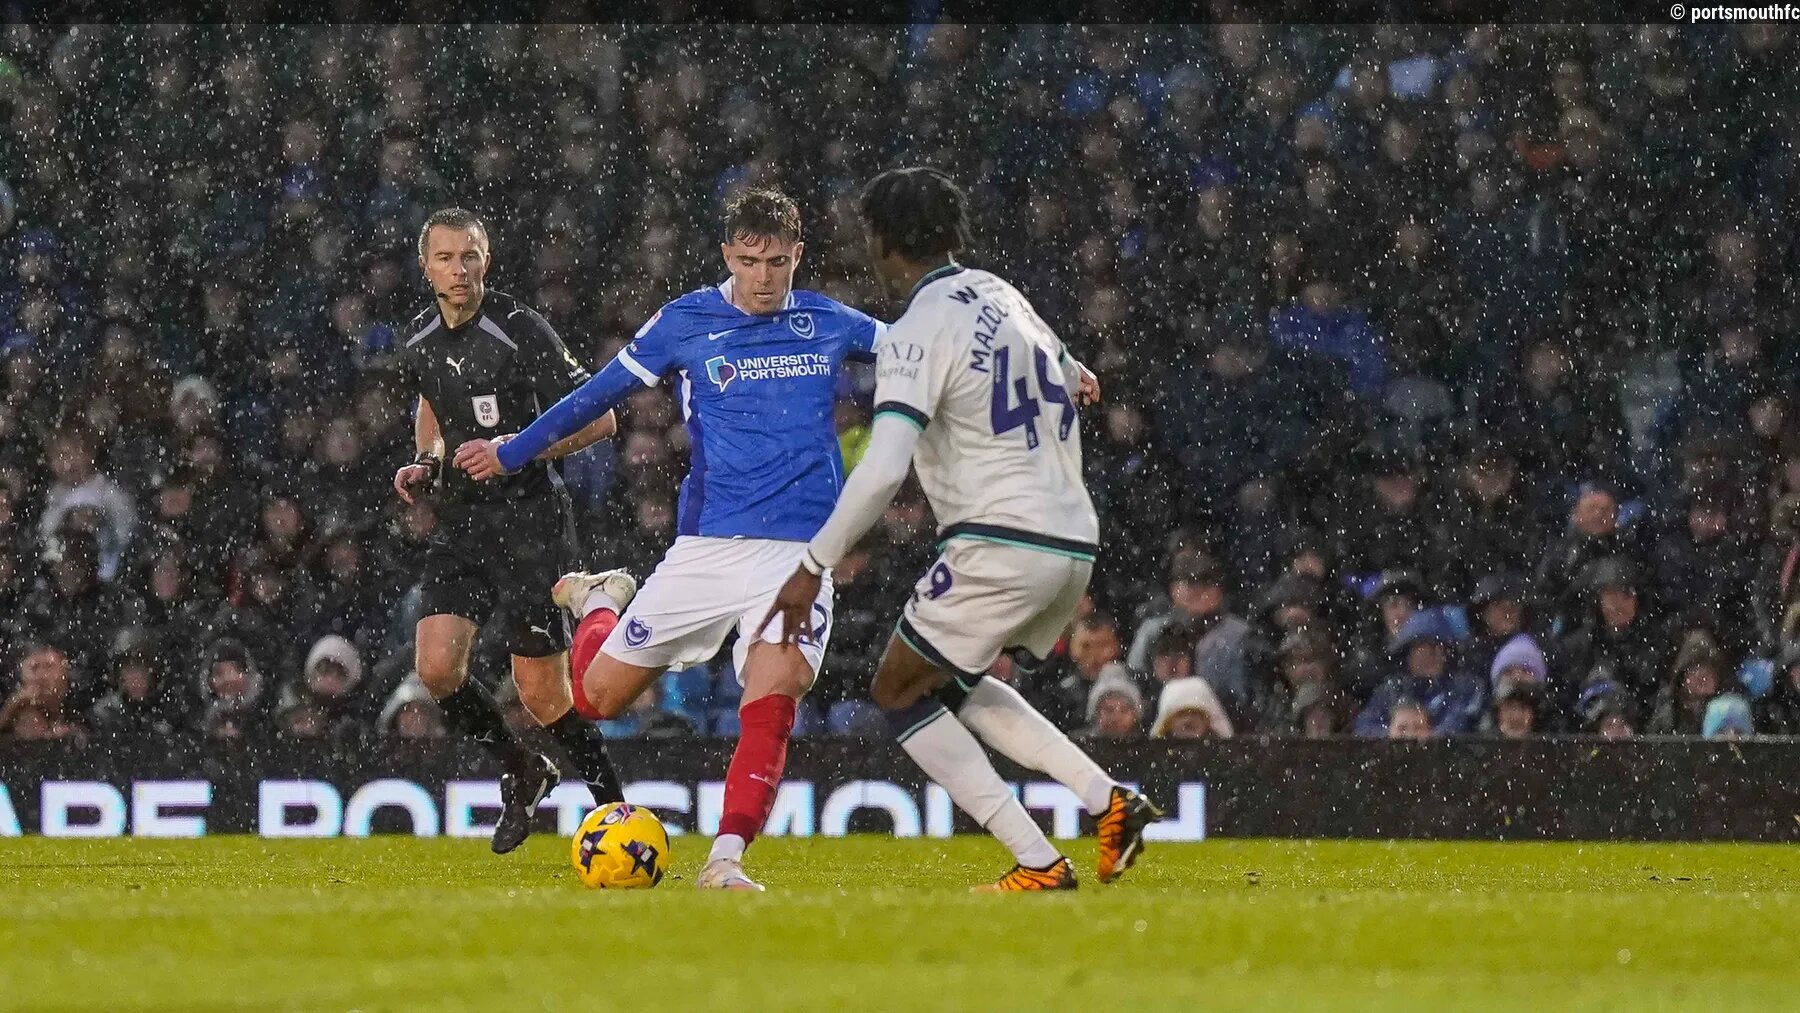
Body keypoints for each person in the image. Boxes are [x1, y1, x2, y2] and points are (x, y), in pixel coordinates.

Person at [457, 188, 884, 890]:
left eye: (778, 262)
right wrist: (513, 450)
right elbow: (595, 396)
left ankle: (725, 860)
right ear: (728, 255)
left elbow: (932, 349)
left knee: (773, 697)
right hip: (707, 549)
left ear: (798, 255)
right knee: (594, 699)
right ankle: (600, 601)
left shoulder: (828, 320)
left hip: (800, 555)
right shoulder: (685, 321)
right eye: (750, 261)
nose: (765, 278)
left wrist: (1050, 368)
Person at [762, 167, 1159, 892]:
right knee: (946, 680)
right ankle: (1108, 799)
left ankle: (1039, 860)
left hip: (1000, 537)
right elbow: (1071, 371)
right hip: (1070, 536)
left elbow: (884, 469)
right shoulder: (1002, 294)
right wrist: (1073, 375)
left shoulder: (917, 330)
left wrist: (812, 565)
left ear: (884, 242)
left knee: (897, 691)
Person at [388, 207, 628, 855]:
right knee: (436, 668)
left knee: (542, 693)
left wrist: (513, 451)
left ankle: (618, 810)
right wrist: (426, 461)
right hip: (462, 522)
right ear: (426, 267)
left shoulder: (519, 329)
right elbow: (432, 404)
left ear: (486, 261)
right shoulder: (417, 339)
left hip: (530, 521)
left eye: (469, 256)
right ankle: (522, 767)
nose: (458, 270)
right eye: (445, 258)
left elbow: (601, 420)